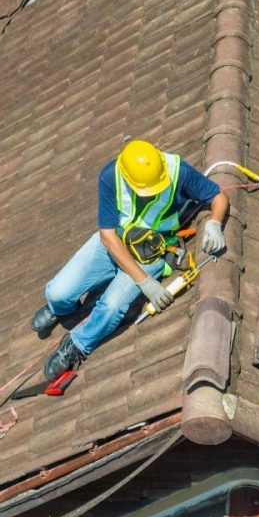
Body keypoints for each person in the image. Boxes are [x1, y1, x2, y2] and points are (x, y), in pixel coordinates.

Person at [31, 139, 229, 379]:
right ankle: (60, 309)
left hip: (151, 250)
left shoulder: (178, 172)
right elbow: (107, 236)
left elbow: (218, 196)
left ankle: (78, 344)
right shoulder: (110, 176)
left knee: (112, 306)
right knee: (58, 293)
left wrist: (215, 223)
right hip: (114, 241)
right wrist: (144, 282)